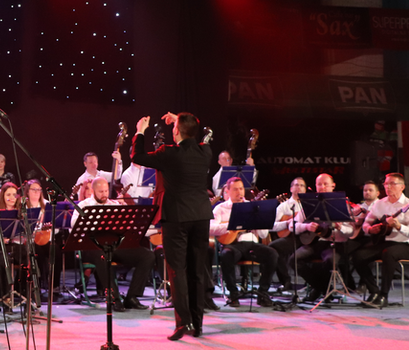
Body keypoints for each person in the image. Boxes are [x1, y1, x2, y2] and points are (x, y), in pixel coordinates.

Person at [131, 112, 212, 341]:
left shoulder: (168, 153)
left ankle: (183, 322)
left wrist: (140, 131)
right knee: (197, 271)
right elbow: (194, 134)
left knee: (177, 271)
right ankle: (197, 324)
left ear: (176, 131)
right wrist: (182, 121)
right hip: (201, 216)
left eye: (175, 127)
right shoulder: (205, 152)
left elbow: (137, 156)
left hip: (176, 217)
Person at [73, 177, 155, 311]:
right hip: (92, 247)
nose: (104, 194)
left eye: (106, 191)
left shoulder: (114, 204)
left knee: (148, 256)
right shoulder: (83, 205)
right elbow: (74, 226)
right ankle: (114, 299)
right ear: (93, 191)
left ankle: (132, 297)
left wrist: (125, 211)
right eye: (101, 191)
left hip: (114, 245)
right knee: (103, 256)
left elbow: (128, 225)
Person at [352, 173, 409, 308]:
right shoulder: (380, 204)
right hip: (384, 242)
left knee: (388, 254)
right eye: (386, 184)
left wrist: (399, 226)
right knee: (358, 256)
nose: (388, 187)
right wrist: (370, 229)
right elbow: (366, 223)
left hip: (404, 244)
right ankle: (374, 291)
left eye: (392, 184)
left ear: (402, 187)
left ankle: (384, 295)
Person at [209, 177, 277, 307]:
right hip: (232, 245)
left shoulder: (253, 207)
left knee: (272, 254)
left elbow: (263, 235)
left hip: (251, 244)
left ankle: (262, 293)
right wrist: (232, 225)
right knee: (226, 255)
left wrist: (260, 220)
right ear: (227, 191)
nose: (239, 192)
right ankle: (233, 294)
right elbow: (211, 228)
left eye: (241, 188)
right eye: (235, 189)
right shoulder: (220, 208)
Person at [290, 173, 353, 303]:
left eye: (325, 184)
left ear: (333, 186)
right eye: (319, 184)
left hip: (334, 244)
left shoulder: (342, 204)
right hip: (314, 243)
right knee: (293, 260)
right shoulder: (309, 204)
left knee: (330, 260)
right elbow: (292, 226)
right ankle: (323, 288)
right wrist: (307, 227)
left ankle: (319, 290)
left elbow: (351, 231)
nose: (322, 187)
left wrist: (340, 227)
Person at [267, 177, 307, 291]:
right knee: (273, 247)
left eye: (302, 185)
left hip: (306, 236)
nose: (299, 187)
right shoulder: (283, 206)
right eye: (296, 185)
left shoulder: (308, 205)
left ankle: (311, 282)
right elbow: (271, 226)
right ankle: (285, 281)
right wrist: (286, 223)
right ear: (291, 188)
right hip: (291, 237)